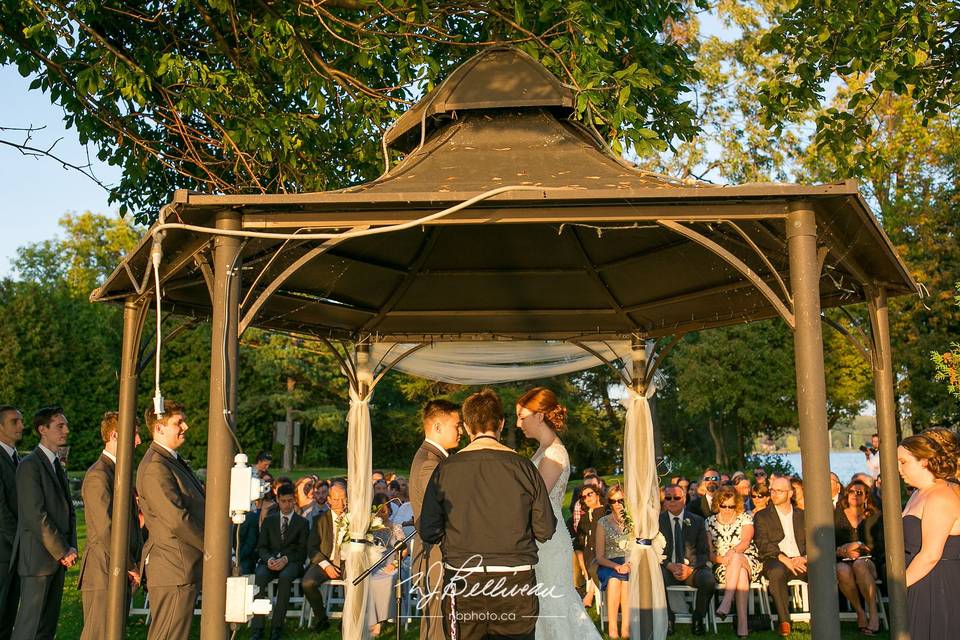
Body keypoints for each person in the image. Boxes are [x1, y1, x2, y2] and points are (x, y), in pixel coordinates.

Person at [419, 389, 556, 640]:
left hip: (463, 582)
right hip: (515, 583)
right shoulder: (524, 467)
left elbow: (428, 530)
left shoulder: (446, 469)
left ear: (468, 426)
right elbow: (545, 528)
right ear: (501, 423)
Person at [515, 387, 602, 640]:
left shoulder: (554, 453)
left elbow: (534, 499)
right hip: (541, 539)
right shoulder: (543, 449)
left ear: (539, 416)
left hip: (549, 541)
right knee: (542, 604)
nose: (519, 423)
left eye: (522, 416)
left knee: (555, 603)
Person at [136, 400, 205, 640]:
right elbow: (177, 518)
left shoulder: (169, 460)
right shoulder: (156, 466)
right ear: (159, 428)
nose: (185, 426)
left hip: (180, 566)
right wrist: (211, 547)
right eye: (178, 422)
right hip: (173, 566)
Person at [11, 407, 76, 640]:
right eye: (60, 426)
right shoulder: (29, 465)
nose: (66, 430)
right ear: (42, 430)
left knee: (47, 628)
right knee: (29, 628)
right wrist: (62, 551)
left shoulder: (57, 464)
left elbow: (67, 510)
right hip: (37, 560)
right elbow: (35, 515)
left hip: (58, 559)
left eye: (66, 425)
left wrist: (72, 546)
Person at [78, 411, 144, 640]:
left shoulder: (117, 472)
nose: (138, 441)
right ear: (115, 435)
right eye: (135, 435)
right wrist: (129, 565)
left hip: (116, 568)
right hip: (103, 570)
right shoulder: (99, 475)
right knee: (98, 634)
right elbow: (106, 529)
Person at [408, 399, 461, 640]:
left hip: (435, 556)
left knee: (437, 625)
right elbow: (439, 517)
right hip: (436, 557)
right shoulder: (430, 464)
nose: (460, 431)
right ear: (438, 427)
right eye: (457, 425)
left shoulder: (432, 458)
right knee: (438, 628)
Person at [898, 433, 960, 639]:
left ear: (924, 461)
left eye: (903, 462)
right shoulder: (918, 493)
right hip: (919, 578)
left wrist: (898, 585)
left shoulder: (941, 495)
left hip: (937, 583)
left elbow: (931, 554)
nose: (899, 469)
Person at [250, 482, 308, 640]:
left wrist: (286, 559)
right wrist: (269, 559)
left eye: (290, 501)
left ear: (294, 500)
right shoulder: (269, 520)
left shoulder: (302, 523)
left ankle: (276, 627)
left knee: (285, 578)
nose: (287, 505)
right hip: (270, 561)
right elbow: (261, 547)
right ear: (278, 500)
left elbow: (303, 551)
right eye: (283, 501)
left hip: (292, 562)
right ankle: (258, 629)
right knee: (259, 577)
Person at [657, 484, 714, 636]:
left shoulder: (697, 520)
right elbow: (652, 551)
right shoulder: (657, 522)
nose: (672, 501)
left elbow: (704, 552)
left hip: (691, 569)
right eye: (668, 498)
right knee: (655, 577)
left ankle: (698, 618)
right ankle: (668, 619)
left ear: (684, 500)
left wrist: (690, 568)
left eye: (676, 497)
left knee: (707, 580)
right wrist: (669, 565)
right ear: (664, 501)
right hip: (668, 569)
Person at [754, 476, 807, 637]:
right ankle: (784, 621)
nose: (774, 494)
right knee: (776, 573)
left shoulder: (803, 515)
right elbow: (763, 544)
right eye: (772, 490)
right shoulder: (762, 516)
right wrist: (785, 559)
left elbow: (814, 540)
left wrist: (805, 557)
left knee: (821, 569)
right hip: (776, 559)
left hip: (801, 559)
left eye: (779, 491)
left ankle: (823, 615)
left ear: (790, 493)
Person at [706, 485, 760, 638]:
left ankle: (727, 601)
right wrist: (722, 560)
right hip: (722, 565)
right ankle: (743, 625)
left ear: (737, 504)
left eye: (731, 506)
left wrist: (732, 552)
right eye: (724, 505)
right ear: (718, 504)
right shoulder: (709, 522)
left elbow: (745, 542)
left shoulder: (745, 518)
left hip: (747, 559)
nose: (728, 509)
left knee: (737, 558)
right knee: (740, 575)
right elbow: (709, 553)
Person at [834, 479, 883, 635]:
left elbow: (881, 545)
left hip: (869, 561)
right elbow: (828, 542)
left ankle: (873, 614)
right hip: (844, 560)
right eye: (852, 491)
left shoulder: (875, 516)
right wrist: (841, 550)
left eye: (859, 492)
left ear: (866, 497)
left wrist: (860, 545)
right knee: (841, 569)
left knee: (859, 565)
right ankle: (860, 612)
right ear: (846, 495)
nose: (855, 495)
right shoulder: (836, 515)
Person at [301, 480, 348, 633]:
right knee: (308, 583)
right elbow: (312, 548)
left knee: (356, 582)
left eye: (343, 498)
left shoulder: (354, 519)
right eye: (335, 499)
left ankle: (346, 620)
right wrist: (326, 565)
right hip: (325, 561)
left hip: (348, 562)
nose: (340, 503)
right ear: (329, 500)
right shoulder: (319, 520)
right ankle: (321, 618)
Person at [366, 494, 407, 637]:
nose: (385, 512)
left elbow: (405, 550)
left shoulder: (395, 527)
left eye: (387, 508)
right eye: (381, 509)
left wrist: (395, 564)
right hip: (373, 565)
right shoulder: (369, 528)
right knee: (368, 580)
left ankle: (380, 621)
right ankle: (373, 620)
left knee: (390, 579)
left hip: (392, 565)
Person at [595, 484, 632, 638]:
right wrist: (617, 566)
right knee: (615, 581)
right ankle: (612, 627)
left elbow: (640, 548)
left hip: (630, 563)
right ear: (609, 502)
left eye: (620, 500)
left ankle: (625, 626)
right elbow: (599, 557)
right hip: (609, 563)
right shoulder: (603, 522)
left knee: (626, 581)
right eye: (613, 501)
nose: (617, 504)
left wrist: (629, 564)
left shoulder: (633, 521)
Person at [0, 405, 23, 640]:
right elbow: (1, 511)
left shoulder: (17, 458)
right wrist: (20, 542)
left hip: (13, 551)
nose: (21, 426)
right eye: (14, 422)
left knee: (9, 615)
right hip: (4, 550)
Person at [575, 483, 606, 607]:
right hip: (590, 555)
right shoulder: (584, 519)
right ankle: (591, 593)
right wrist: (582, 565)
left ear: (597, 494)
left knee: (596, 566)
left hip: (606, 551)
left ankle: (590, 593)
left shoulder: (606, 511)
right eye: (584, 497)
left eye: (590, 494)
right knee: (593, 565)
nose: (587, 498)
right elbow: (578, 543)